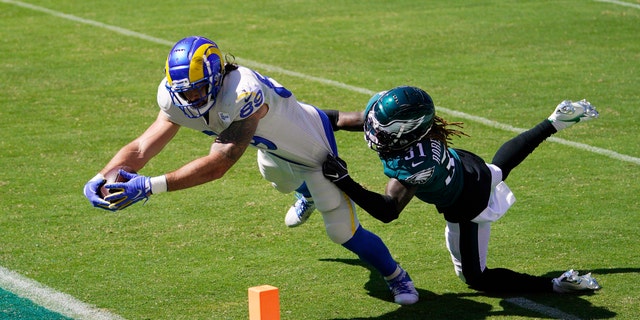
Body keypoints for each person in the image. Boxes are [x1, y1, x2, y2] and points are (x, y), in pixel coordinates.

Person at [83, 36, 419, 305]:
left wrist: (149, 186)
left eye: (197, 89)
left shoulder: (243, 92)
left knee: (341, 232)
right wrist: (104, 175)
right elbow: (143, 147)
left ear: (216, 77)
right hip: (272, 147)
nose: (190, 98)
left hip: (312, 151)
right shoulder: (177, 95)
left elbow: (219, 163)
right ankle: (306, 195)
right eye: (183, 91)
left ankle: (395, 275)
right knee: (273, 176)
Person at [321, 85, 602, 294]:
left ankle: (556, 285)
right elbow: (340, 119)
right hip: (464, 164)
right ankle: (555, 121)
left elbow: (388, 210)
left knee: (475, 278)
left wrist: (345, 180)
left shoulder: (418, 163)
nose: (372, 132)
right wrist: (296, 117)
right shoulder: (389, 115)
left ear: (408, 134)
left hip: (467, 201)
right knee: (498, 170)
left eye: (382, 132)